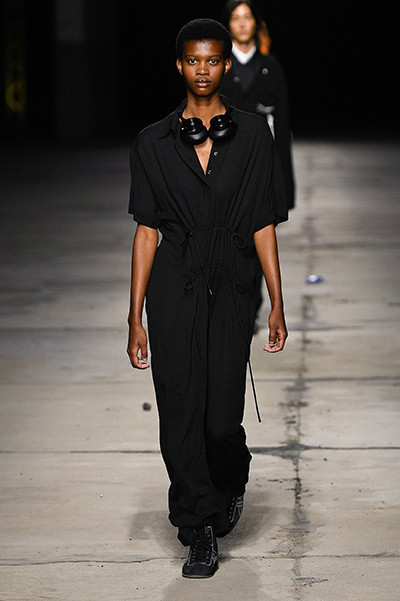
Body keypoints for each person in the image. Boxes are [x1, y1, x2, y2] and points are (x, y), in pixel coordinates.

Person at [127, 18, 288, 579]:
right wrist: (134, 317)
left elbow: (263, 221)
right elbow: (146, 231)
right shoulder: (152, 142)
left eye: (212, 60)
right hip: (173, 286)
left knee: (220, 420)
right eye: (193, 60)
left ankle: (231, 473)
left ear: (224, 65)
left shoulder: (253, 136)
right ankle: (197, 528)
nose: (202, 70)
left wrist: (277, 301)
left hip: (233, 284)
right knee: (179, 410)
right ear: (180, 65)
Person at [220, 0, 295, 211]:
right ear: (228, 24)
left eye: (247, 17)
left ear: (256, 23)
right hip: (223, 162)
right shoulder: (217, 66)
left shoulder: (271, 67)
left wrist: (284, 188)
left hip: (262, 163)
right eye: (235, 18)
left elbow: (282, 126)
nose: (242, 24)